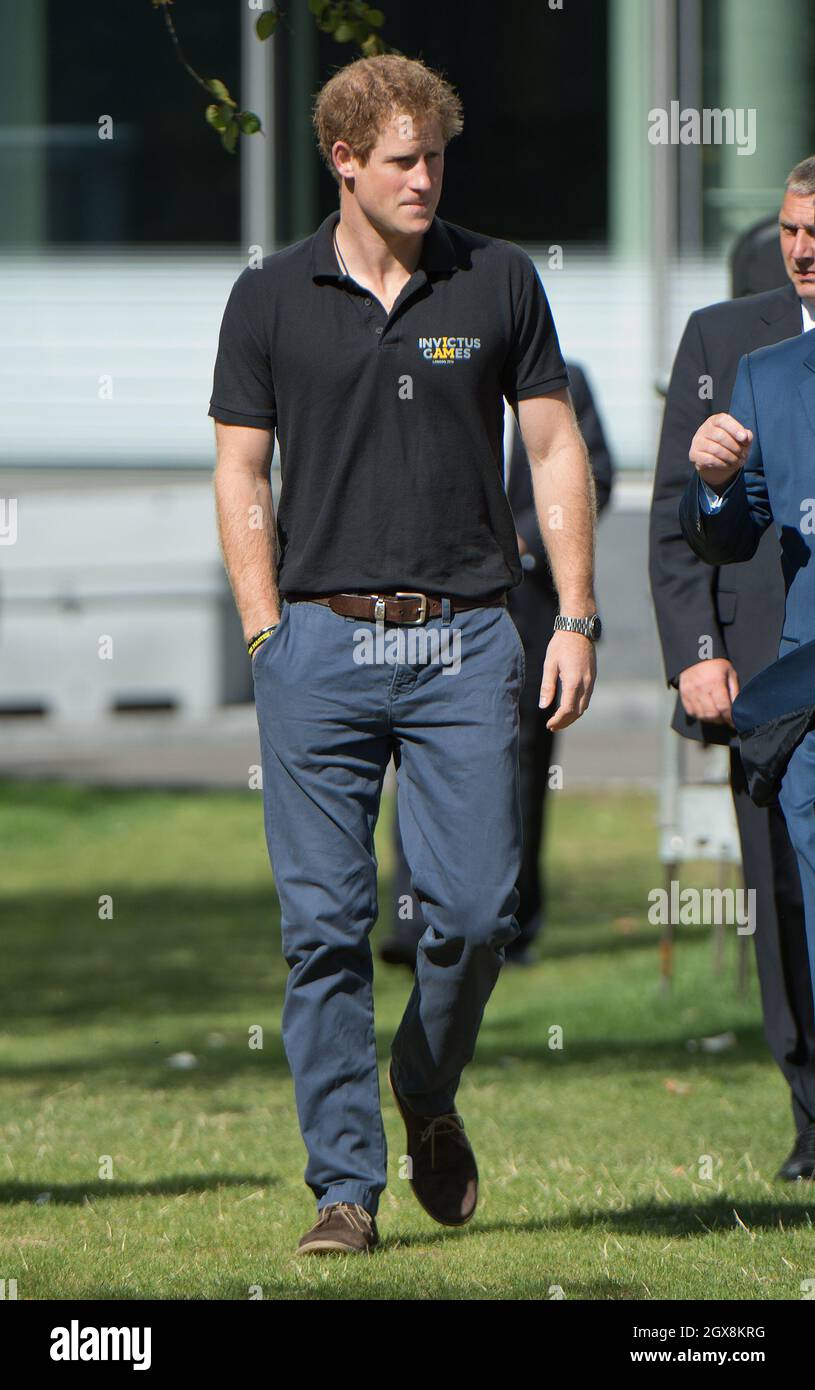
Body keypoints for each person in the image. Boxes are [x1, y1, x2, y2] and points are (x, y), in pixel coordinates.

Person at [208, 54, 598, 1255]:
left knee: (477, 909)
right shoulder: (268, 294)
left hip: (468, 637)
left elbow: (550, 449)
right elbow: (238, 468)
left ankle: (423, 1086)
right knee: (323, 928)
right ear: (342, 161)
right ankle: (343, 1189)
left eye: (434, 156)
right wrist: (264, 627)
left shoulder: (499, 281)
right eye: (400, 161)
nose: (424, 178)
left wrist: (574, 615)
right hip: (317, 642)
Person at [649, 157, 815, 1183]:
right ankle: (808, 1110)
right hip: (763, 677)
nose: (801, 252)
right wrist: (697, 656)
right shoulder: (724, 343)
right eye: (793, 231)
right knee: (783, 895)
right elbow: (685, 526)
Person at [382, 361, 613, 970]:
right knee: (416, 757)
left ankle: (515, 926)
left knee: (524, 767)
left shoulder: (566, 384)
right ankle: (413, 922)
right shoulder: (437, 371)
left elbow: (597, 478)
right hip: (436, 605)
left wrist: (521, 540)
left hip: (533, 611)